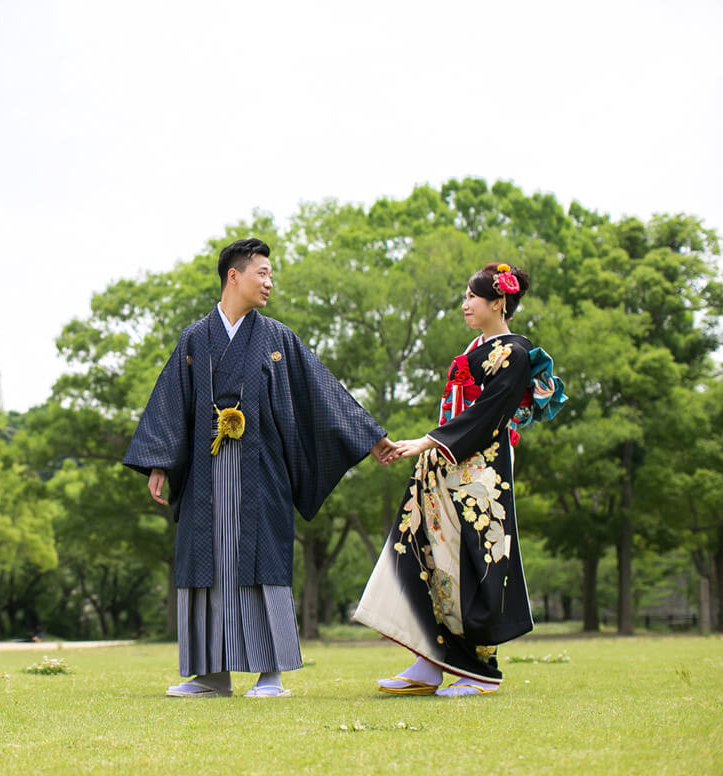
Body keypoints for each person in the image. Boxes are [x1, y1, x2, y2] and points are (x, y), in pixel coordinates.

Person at [123, 238, 396, 698]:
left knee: (263, 562)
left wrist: (368, 437)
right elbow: (173, 404)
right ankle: (211, 675)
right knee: (206, 566)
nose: (269, 282)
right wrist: (160, 463)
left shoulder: (276, 339)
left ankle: (270, 674)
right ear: (235, 276)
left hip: (262, 469)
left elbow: (321, 391)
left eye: (271, 274)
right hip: (206, 472)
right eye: (262, 273)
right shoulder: (194, 338)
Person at [353, 262, 566, 697]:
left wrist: (427, 441)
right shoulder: (478, 347)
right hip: (445, 465)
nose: (465, 304)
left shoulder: (516, 353)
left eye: (472, 296)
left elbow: (486, 415)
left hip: (479, 475)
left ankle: (478, 672)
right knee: (424, 552)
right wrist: (431, 450)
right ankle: (428, 661)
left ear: (498, 302)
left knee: (475, 562)